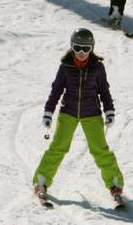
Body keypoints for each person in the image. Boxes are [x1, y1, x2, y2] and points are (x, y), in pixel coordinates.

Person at [32, 28, 124, 205]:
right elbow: (56, 90)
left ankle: (115, 185)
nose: (81, 53)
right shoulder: (65, 68)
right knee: (58, 148)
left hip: (92, 113)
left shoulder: (97, 68)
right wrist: (48, 112)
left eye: (86, 49)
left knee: (100, 150)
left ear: (92, 48)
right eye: (77, 48)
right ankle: (41, 182)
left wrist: (109, 111)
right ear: (71, 47)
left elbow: (104, 90)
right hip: (69, 113)